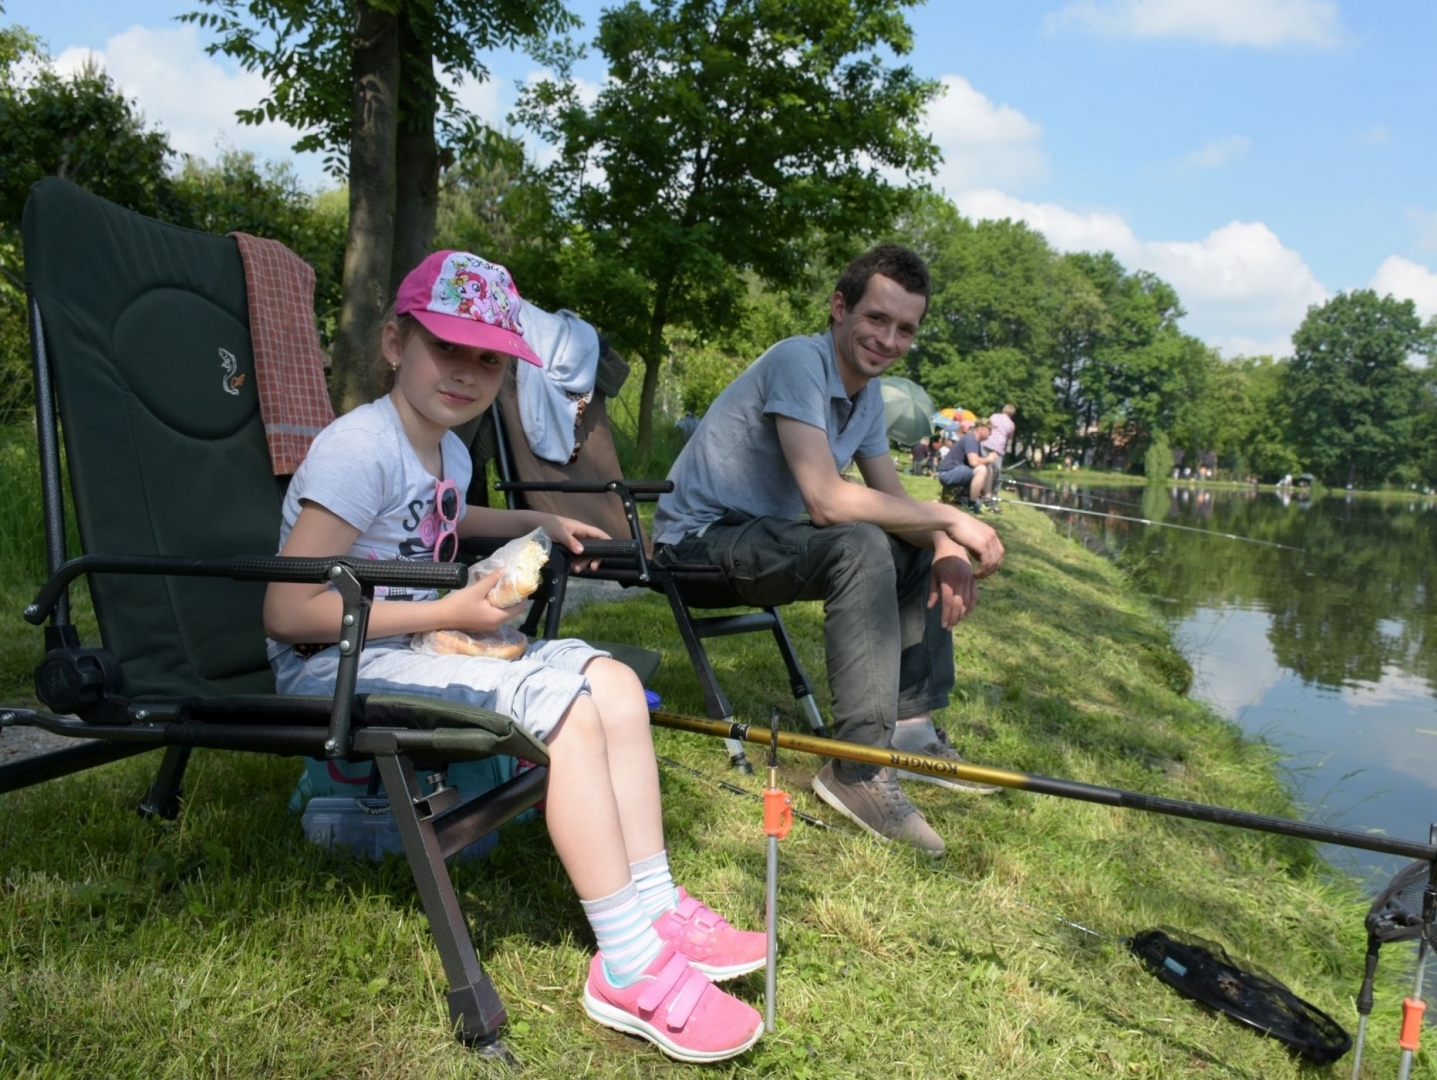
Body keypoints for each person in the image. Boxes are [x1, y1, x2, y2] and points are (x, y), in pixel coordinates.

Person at [263, 251, 766, 1064]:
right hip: (333, 661)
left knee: (610, 681)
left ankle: (656, 903)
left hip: (408, 642)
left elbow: (447, 514)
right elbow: (288, 612)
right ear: (394, 343)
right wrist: (451, 611)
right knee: (565, 710)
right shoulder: (359, 450)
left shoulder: (448, 451)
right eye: (446, 348)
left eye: (489, 360)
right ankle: (627, 963)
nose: (467, 373)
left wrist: (537, 524)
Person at [653, 245, 1006, 857]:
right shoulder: (800, 360)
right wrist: (951, 515)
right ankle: (858, 768)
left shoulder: (867, 395)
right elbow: (825, 499)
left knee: (906, 545)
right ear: (840, 308)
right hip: (694, 545)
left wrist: (943, 545)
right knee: (860, 543)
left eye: (905, 329)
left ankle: (911, 730)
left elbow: (892, 498)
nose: (888, 340)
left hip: (760, 540)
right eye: (877, 318)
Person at [937, 420, 994, 513]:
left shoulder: (973, 440)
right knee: (981, 469)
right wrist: (989, 458)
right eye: (990, 430)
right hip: (947, 473)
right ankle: (971, 504)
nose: (991, 433)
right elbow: (974, 462)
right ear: (981, 429)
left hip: (955, 471)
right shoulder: (971, 440)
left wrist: (988, 461)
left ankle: (987, 500)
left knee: (987, 467)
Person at [981, 403, 1016, 505]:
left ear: (1003, 410)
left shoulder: (993, 416)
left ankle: (980, 490)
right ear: (1012, 414)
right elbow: (1010, 436)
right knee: (996, 473)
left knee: (983, 466)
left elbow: (987, 427)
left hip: (986, 443)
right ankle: (991, 495)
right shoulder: (1011, 424)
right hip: (998, 449)